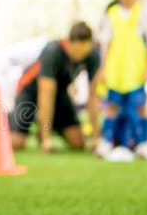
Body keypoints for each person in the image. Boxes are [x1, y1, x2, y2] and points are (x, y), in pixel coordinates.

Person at [9, 21, 101, 153]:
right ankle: (10, 120)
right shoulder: (53, 52)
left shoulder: (92, 56)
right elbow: (46, 96)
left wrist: (96, 138)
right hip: (30, 92)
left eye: (83, 52)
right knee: (16, 143)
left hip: (59, 93)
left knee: (78, 143)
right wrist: (47, 141)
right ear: (69, 43)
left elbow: (93, 97)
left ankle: (41, 129)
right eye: (76, 51)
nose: (79, 56)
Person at [95, 0, 147, 159]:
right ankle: (106, 141)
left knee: (140, 106)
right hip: (116, 71)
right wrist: (103, 68)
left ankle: (145, 143)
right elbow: (107, 44)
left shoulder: (142, 13)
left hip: (135, 71)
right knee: (111, 105)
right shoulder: (111, 13)